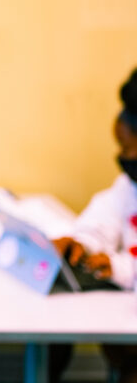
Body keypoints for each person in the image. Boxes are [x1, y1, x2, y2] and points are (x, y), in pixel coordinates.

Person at [50, 68, 137, 383]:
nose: (126, 162)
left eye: (130, 152)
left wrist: (117, 266)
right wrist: (82, 241)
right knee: (56, 319)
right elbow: (108, 214)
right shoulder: (131, 182)